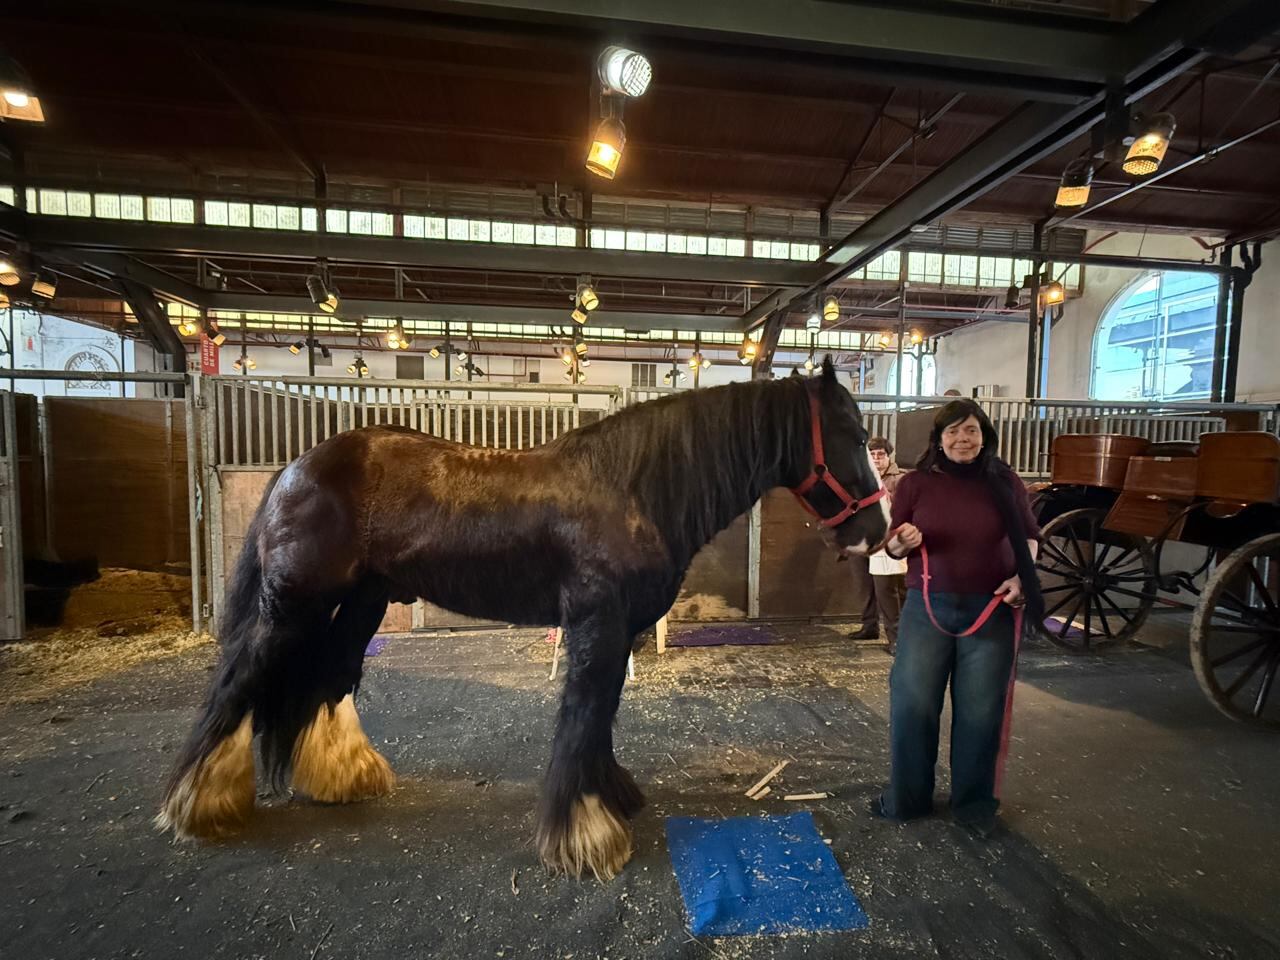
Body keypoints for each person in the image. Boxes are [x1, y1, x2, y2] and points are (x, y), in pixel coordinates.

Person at [870, 399, 1043, 838]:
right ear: (939, 438)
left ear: (984, 434)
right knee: (913, 705)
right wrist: (900, 544)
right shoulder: (915, 484)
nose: (962, 439)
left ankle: (974, 806)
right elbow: (889, 546)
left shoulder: (1004, 481)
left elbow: (1028, 538)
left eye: (970, 430)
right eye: (953, 432)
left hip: (991, 609)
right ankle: (907, 799)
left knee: (980, 711)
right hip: (927, 609)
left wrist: (1023, 578)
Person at [866, 438, 907, 653]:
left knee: (899, 591)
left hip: (899, 540)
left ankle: (901, 639)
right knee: (883, 591)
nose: (876, 459)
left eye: (880, 454)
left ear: (889, 455)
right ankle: (894, 638)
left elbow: (903, 508)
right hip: (876, 541)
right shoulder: (866, 477)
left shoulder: (901, 479)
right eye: (871, 455)